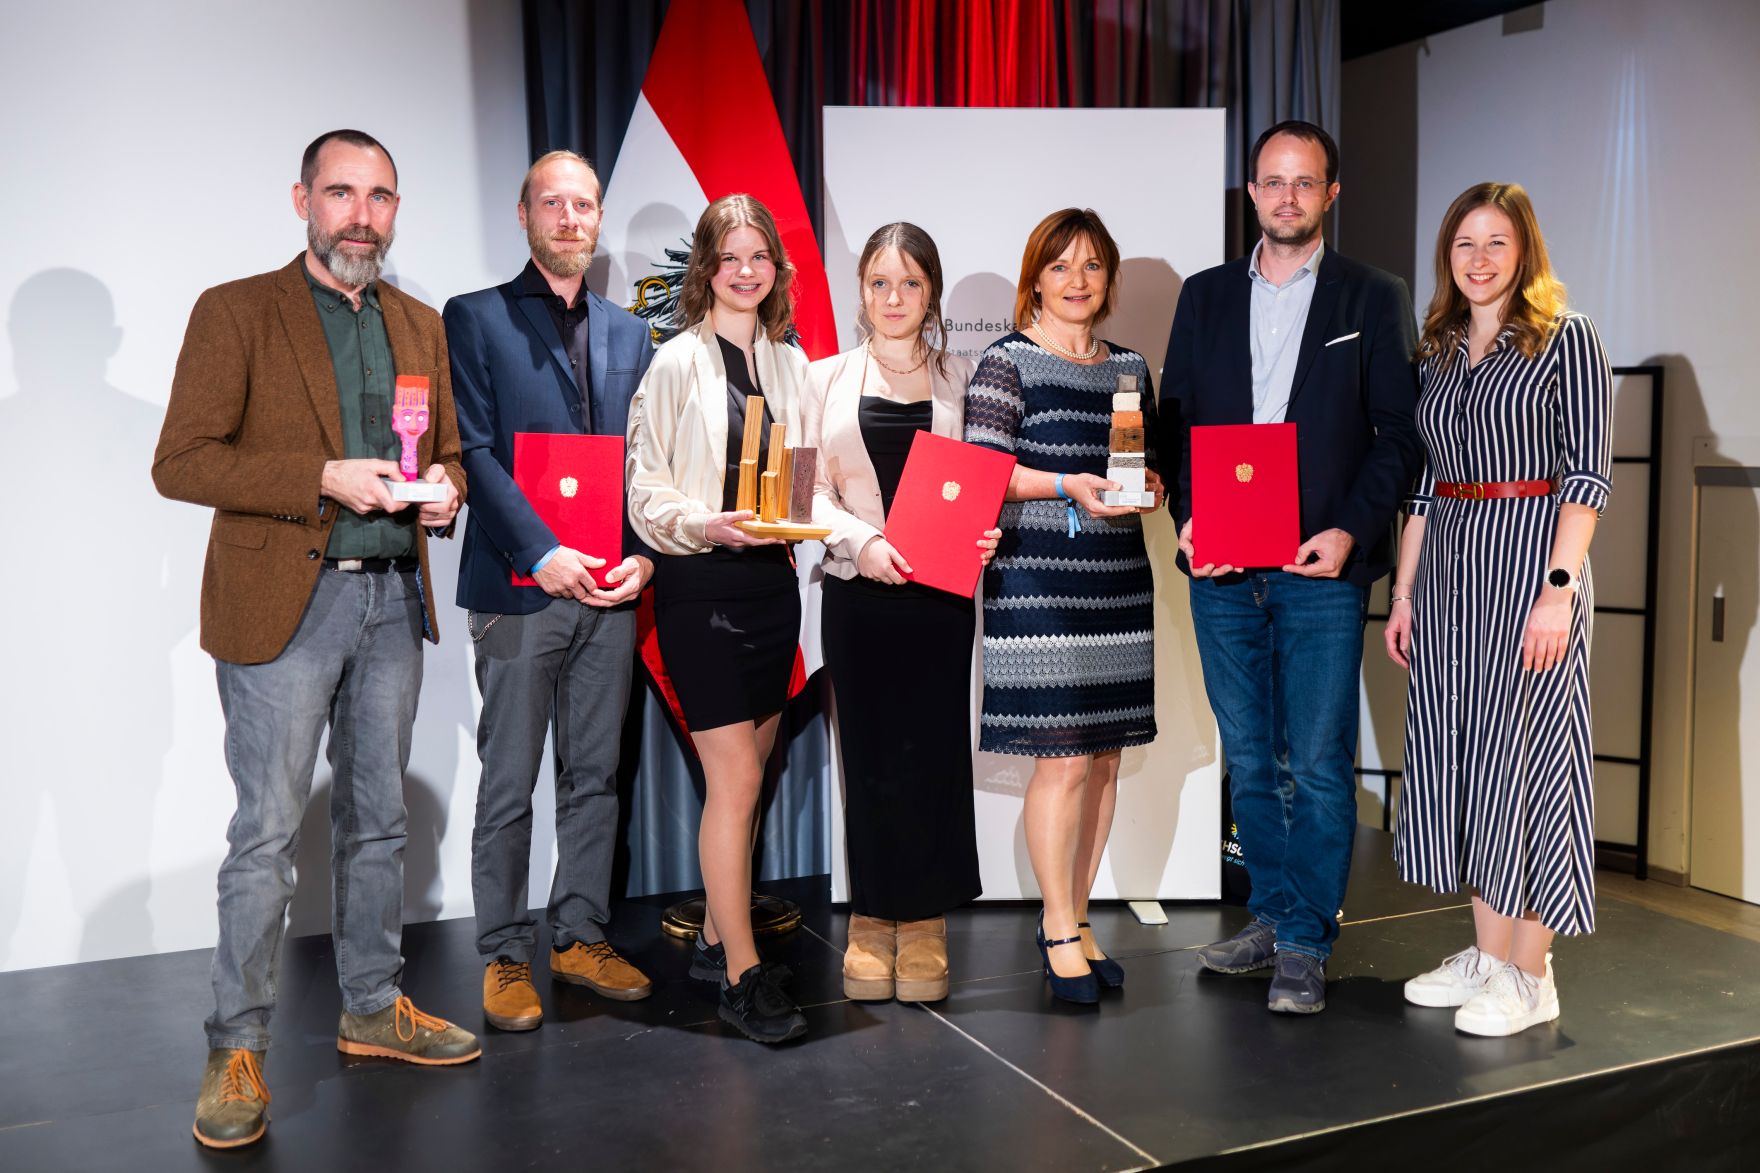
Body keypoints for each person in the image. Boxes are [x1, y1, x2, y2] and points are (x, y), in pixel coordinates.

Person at [153, 130, 479, 1150]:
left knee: (379, 823)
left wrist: (448, 496)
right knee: (266, 836)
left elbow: (453, 457)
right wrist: (321, 476)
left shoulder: (420, 324)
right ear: (302, 198)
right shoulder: (235, 309)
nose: (361, 215)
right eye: (341, 193)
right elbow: (182, 461)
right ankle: (235, 1044)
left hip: (391, 599)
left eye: (380, 197)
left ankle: (373, 1006)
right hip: (284, 604)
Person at [1167, 119, 1423, 1015]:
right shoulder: (1201, 297)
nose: (1286, 197)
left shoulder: (1373, 296)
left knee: (1316, 759)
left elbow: (1399, 436)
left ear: (1330, 193)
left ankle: (1309, 935)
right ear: (1251, 192)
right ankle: (1274, 914)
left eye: (1303, 183)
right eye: (1272, 182)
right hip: (1225, 566)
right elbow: (1173, 427)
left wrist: (1352, 533)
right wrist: (1188, 518)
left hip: (1322, 566)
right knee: (1248, 755)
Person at [1385, 182, 1610, 1037]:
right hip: (1447, 571)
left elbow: (1586, 477)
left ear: (1525, 253)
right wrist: (1404, 594)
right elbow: (1423, 486)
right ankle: (1486, 952)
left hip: (1530, 566)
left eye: (1496, 244)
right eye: (1464, 245)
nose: (1479, 260)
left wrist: (1559, 591)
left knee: (1532, 764)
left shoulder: (1565, 340)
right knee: (1464, 763)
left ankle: (1531, 969)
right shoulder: (1438, 349)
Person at [444, 150, 657, 1032]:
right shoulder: (475, 317)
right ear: (525, 215)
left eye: (585, 205)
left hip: (611, 587)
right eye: (554, 204)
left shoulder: (630, 332)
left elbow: (646, 462)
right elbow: (475, 453)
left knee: (594, 776)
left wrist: (643, 552)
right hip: (520, 586)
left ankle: (578, 934)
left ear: (599, 220)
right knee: (508, 781)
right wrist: (541, 552)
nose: (571, 219)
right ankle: (502, 952)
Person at [964, 208, 1163, 1005]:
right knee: (1065, 757)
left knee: (1107, 755)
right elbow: (985, 471)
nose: (1077, 281)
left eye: (1091, 266)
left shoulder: (1132, 368)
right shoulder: (1006, 363)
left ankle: (1079, 922)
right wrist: (1062, 482)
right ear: (1034, 278)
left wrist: (1152, 487)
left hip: (1117, 578)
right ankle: (1053, 930)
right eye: (1061, 266)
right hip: (1037, 581)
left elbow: (1141, 465)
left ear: (1108, 278)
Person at [625, 193, 811, 1043]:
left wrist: (806, 522)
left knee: (753, 777)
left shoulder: (792, 364)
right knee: (733, 782)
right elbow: (644, 491)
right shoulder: (672, 364)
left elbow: (802, 481)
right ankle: (740, 974)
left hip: (773, 588)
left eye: (759, 256)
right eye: (730, 256)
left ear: (776, 268)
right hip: (699, 586)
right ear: (707, 269)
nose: (745, 270)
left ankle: (708, 939)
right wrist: (703, 523)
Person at [801, 223, 1000, 1003]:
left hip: (941, 598)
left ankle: (923, 922)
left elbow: (985, 478)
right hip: (858, 591)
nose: (894, 299)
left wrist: (987, 526)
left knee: (935, 755)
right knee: (871, 759)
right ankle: (871, 918)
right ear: (860, 290)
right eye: (880, 283)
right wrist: (862, 539)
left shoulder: (966, 376)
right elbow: (799, 493)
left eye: (910, 284)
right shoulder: (822, 379)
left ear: (932, 294)